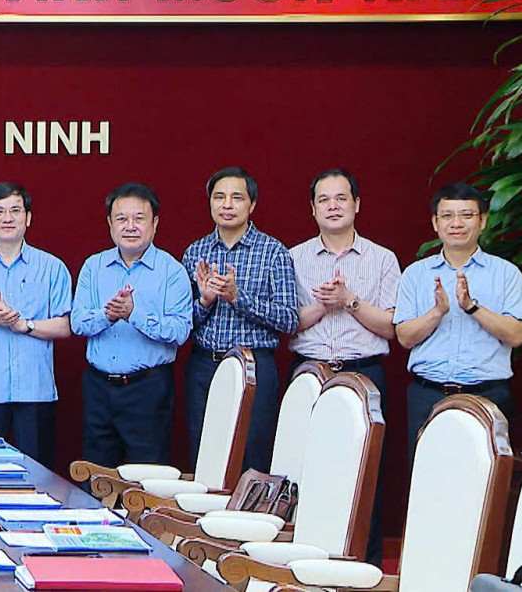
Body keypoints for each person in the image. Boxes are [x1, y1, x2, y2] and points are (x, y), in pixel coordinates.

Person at [288, 169, 399, 566]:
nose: (333, 206)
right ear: (313, 209)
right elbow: (285, 323)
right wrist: (321, 306)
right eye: (324, 200)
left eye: (341, 198)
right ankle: (306, 566)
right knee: (305, 472)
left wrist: (349, 300)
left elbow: (391, 326)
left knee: (364, 476)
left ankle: (364, 569)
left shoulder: (382, 259)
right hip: (309, 374)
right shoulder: (294, 257)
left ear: (356, 204)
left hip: (364, 372)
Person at [181, 166, 298, 473]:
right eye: (219, 197)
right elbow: (182, 324)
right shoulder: (195, 252)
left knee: (253, 456)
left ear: (252, 205)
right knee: (203, 454)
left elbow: (289, 319)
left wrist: (237, 297)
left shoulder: (274, 252)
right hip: (205, 364)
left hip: (255, 367)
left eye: (236, 197)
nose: (227, 205)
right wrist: (205, 300)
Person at [395, 182, 522, 459]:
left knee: (484, 487)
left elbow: (516, 335)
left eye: (466, 215)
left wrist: (471, 307)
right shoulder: (415, 274)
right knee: (426, 484)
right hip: (427, 395)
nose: (457, 223)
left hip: (488, 395)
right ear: (435, 223)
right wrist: (436, 313)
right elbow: (404, 337)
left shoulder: (507, 274)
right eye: (448, 216)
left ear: (482, 221)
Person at [70, 183, 192, 468]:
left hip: (147, 388)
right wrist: (109, 315)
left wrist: (134, 315)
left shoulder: (171, 271)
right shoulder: (93, 266)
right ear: (110, 224)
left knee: (145, 477)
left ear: (155, 224)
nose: (130, 226)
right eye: (122, 219)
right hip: (99, 387)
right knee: (96, 475)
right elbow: (77, 323)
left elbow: (180, 331)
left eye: (139, 218)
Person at [0, 182, 71, 464]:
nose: (7, 218)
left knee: (36, 477)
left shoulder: (52, 267)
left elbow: (66, 326)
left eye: (15, 211)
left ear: (28, 218)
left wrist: (26, 325)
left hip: (36, 392)